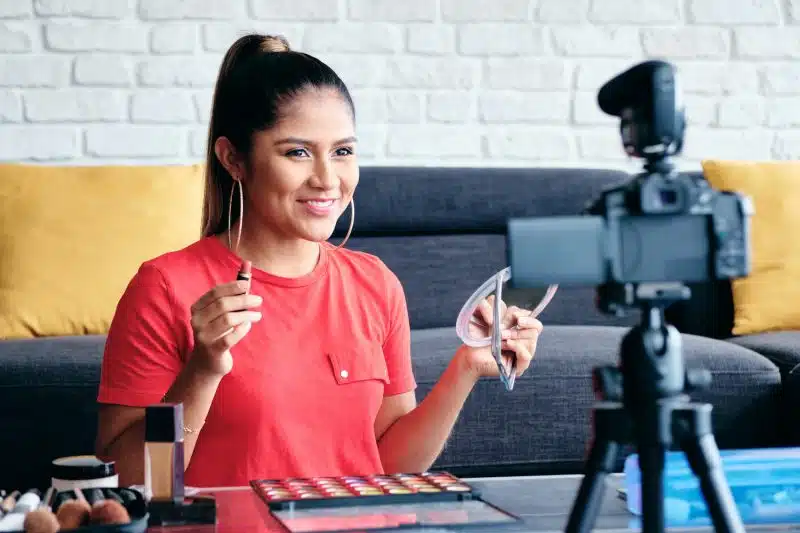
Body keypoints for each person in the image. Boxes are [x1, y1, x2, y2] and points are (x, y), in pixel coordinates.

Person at [94, 33, 544, 489]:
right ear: (233, 159)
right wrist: (202, 372)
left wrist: (466, 367)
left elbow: (390, 467)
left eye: (342, 151)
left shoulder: (375, 283)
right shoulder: (165, 286)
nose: (327, 179)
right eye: (298, 152)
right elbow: (131, 482)